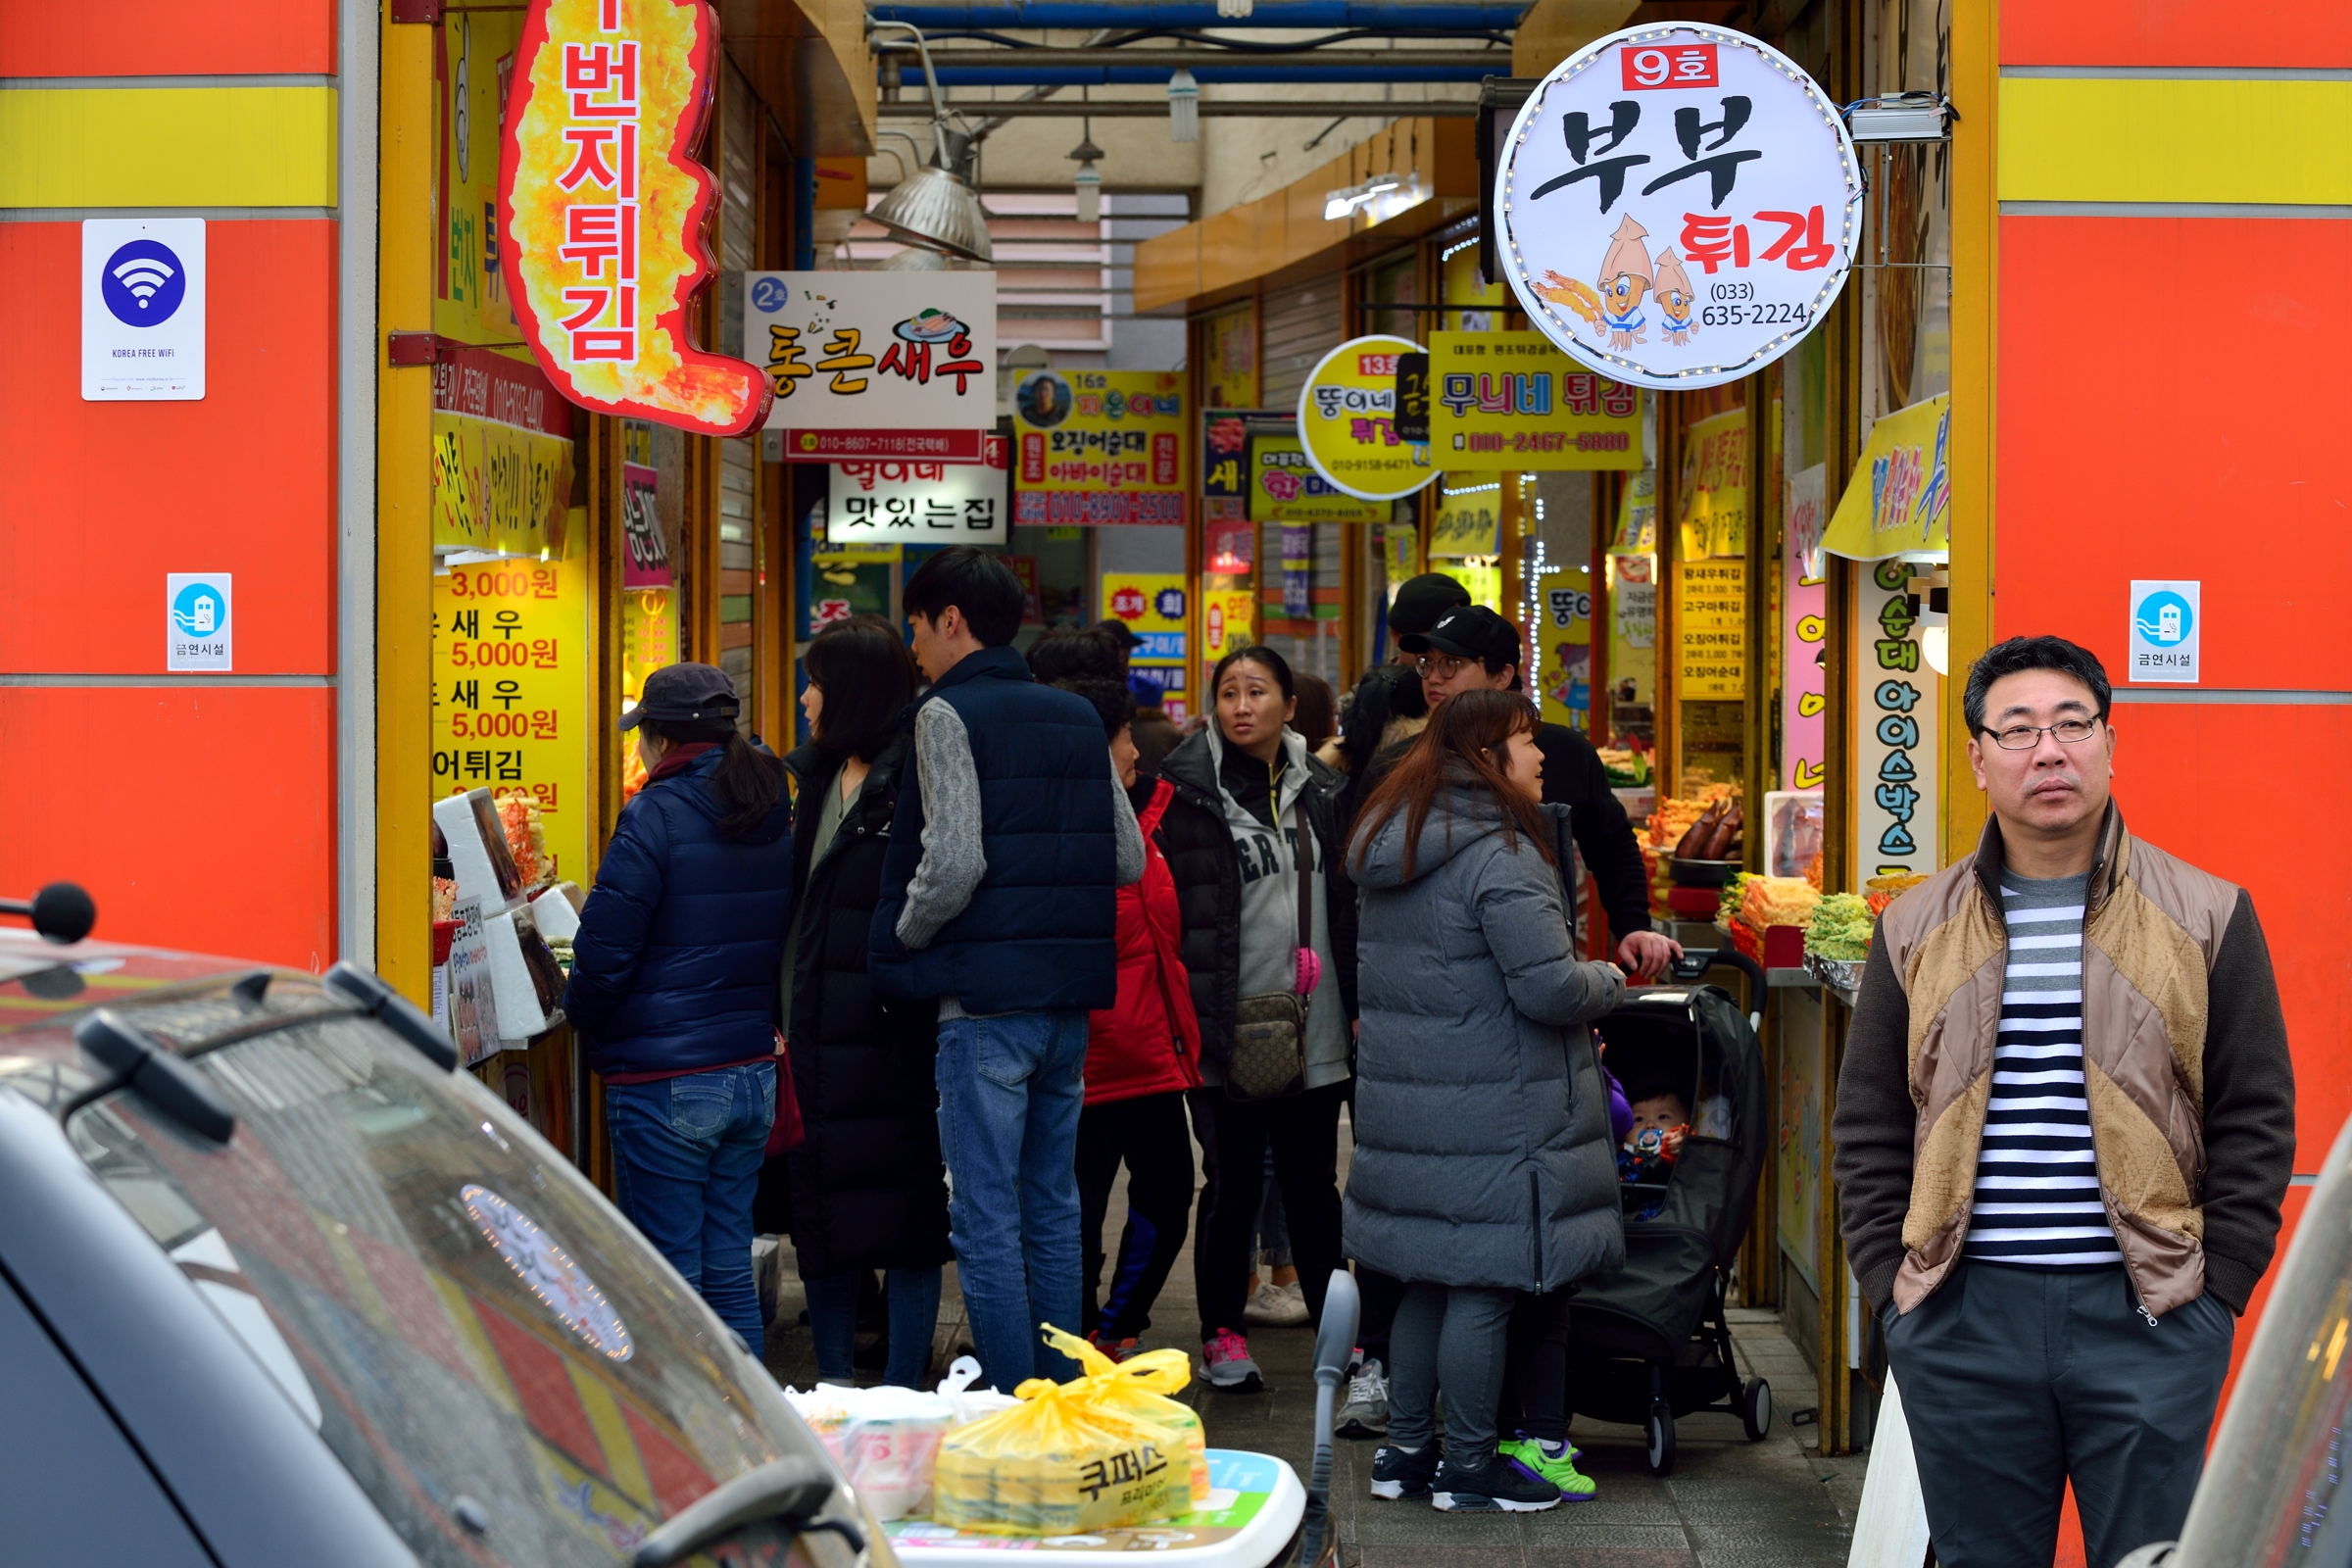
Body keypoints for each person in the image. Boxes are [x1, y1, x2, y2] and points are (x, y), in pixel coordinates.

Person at [1833, 635, 2295, 1568]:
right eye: (2018, 730)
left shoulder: (2207, 913)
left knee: (2150, 1558)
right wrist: (1896, 1293)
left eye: (2072, 724)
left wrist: (2218, 1291)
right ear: (1978, 759)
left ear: (2110, 744)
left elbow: (2255, 1113)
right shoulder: (1915, 926)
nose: (2048, 750)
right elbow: (1870, 1126)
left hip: (2151, 1312)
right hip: (1964, 1316)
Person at [869, 547, 1147, 1394]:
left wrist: (905, 934)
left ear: (951, 621)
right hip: (1068, 1003)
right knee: (1052, 1207)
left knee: (984, 1217)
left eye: (918, 627)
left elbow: (954, 863)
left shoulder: (945, 714)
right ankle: (1059, 1395)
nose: (915, 647)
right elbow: (1128, 858)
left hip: (984, 1007)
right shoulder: (1076, 715)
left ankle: (1009, 1404)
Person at [1347, 689, 1625, 1513]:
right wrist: (1609, 979)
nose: (1539, 756)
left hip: (1414, 1105)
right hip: (1495, 1107)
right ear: (1487, 757)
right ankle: (1468, 1466)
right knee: (1482, 1285)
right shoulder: (1501, 850)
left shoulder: (1398, 838)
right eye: (1525, 740)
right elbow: (1548, 988)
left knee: (1428, 1279)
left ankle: (1406, 1454)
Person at [564, 662, 790, 1355]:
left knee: (669, 1283)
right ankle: (749, 1409)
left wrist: (583, 1014)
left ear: (661, 740)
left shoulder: (655, 814)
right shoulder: (770, 805)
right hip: (749, 1071)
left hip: (666, 1080)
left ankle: (691, 1420)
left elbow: (605, 952)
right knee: (727, 1270)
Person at [1156, 644, 1358, 1393]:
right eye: (1229, 693)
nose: (1242, 707)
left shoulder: (1325, 790)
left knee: (1312, 1185)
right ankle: (1221, 1334)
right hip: (1222, 1028)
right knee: (1232, 1184)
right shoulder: (1184, 792)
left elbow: (1348, 904)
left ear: (1290, 706)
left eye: (1257, 691)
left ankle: (1340, 1339)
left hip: (1317, 1025)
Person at [766, 616, 950, 1389]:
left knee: (907, 1218)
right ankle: (833, 1385)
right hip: (808, 1033)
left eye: (815, 682)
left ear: (851, 692)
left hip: (890, 1036)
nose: (804, 698)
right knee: (822, 1216)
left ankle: (906, 1388)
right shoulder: (810, 778)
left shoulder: (916, 778)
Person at [1054, 676, 1204, 1362]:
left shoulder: (1154, 817)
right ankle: (1072, 1341)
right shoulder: (1056, 831)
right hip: (1082, 1065)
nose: (1135, 751)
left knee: (1168, 1200)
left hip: (1151, 1058)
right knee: (1075, 1217)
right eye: (1122, 737)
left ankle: (1115, 1329)